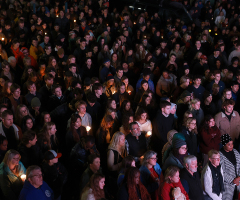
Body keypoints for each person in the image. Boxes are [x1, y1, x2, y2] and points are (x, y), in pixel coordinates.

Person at [219, 134, 240, 200]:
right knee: (227, 197)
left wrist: (239, 178)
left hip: (238, 179)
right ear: (224, 145)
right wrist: (233, 181)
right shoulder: (220, 155)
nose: (231, 146)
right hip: (227, 182)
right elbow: (222, 172)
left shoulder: (236, 152)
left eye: (232, 144)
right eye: (229, 144)